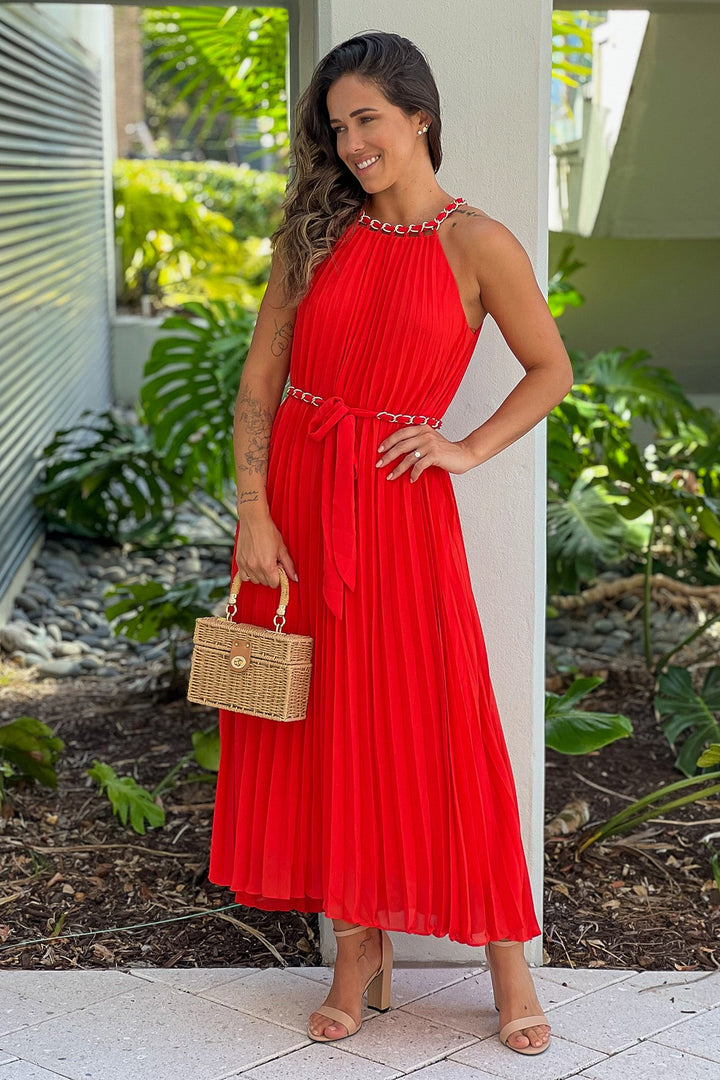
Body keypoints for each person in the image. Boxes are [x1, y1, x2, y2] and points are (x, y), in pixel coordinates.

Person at [208, 29, 573, 1058]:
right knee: (325, 730)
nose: (353, 142)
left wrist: (464, 447)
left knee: (441, 725)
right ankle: (355, 955)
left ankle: (508, 958)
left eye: (368, 118)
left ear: (420, 116)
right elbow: (258, 388)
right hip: (300, 509)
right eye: (338, 126)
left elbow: (549, 367)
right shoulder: (316, 235)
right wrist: (254, 509)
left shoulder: (480, 244)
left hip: (399, 513)